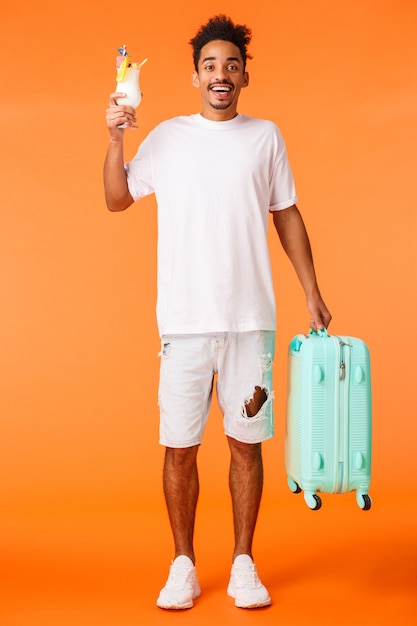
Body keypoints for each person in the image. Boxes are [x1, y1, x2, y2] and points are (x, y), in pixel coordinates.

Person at [104, 14, 331, 610]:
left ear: (244, 76)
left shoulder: (266, 138)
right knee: (179, 446)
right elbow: (116, 198)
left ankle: (242, 564)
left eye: (231, 64)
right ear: (195, 77)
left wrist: (311, 289)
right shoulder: (169, 138)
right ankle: (182, 563)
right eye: (210, 65)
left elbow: (287, 216)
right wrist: (116, 138)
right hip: (182, 322)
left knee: (244, 444)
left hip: (250, 322)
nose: (221, 74)